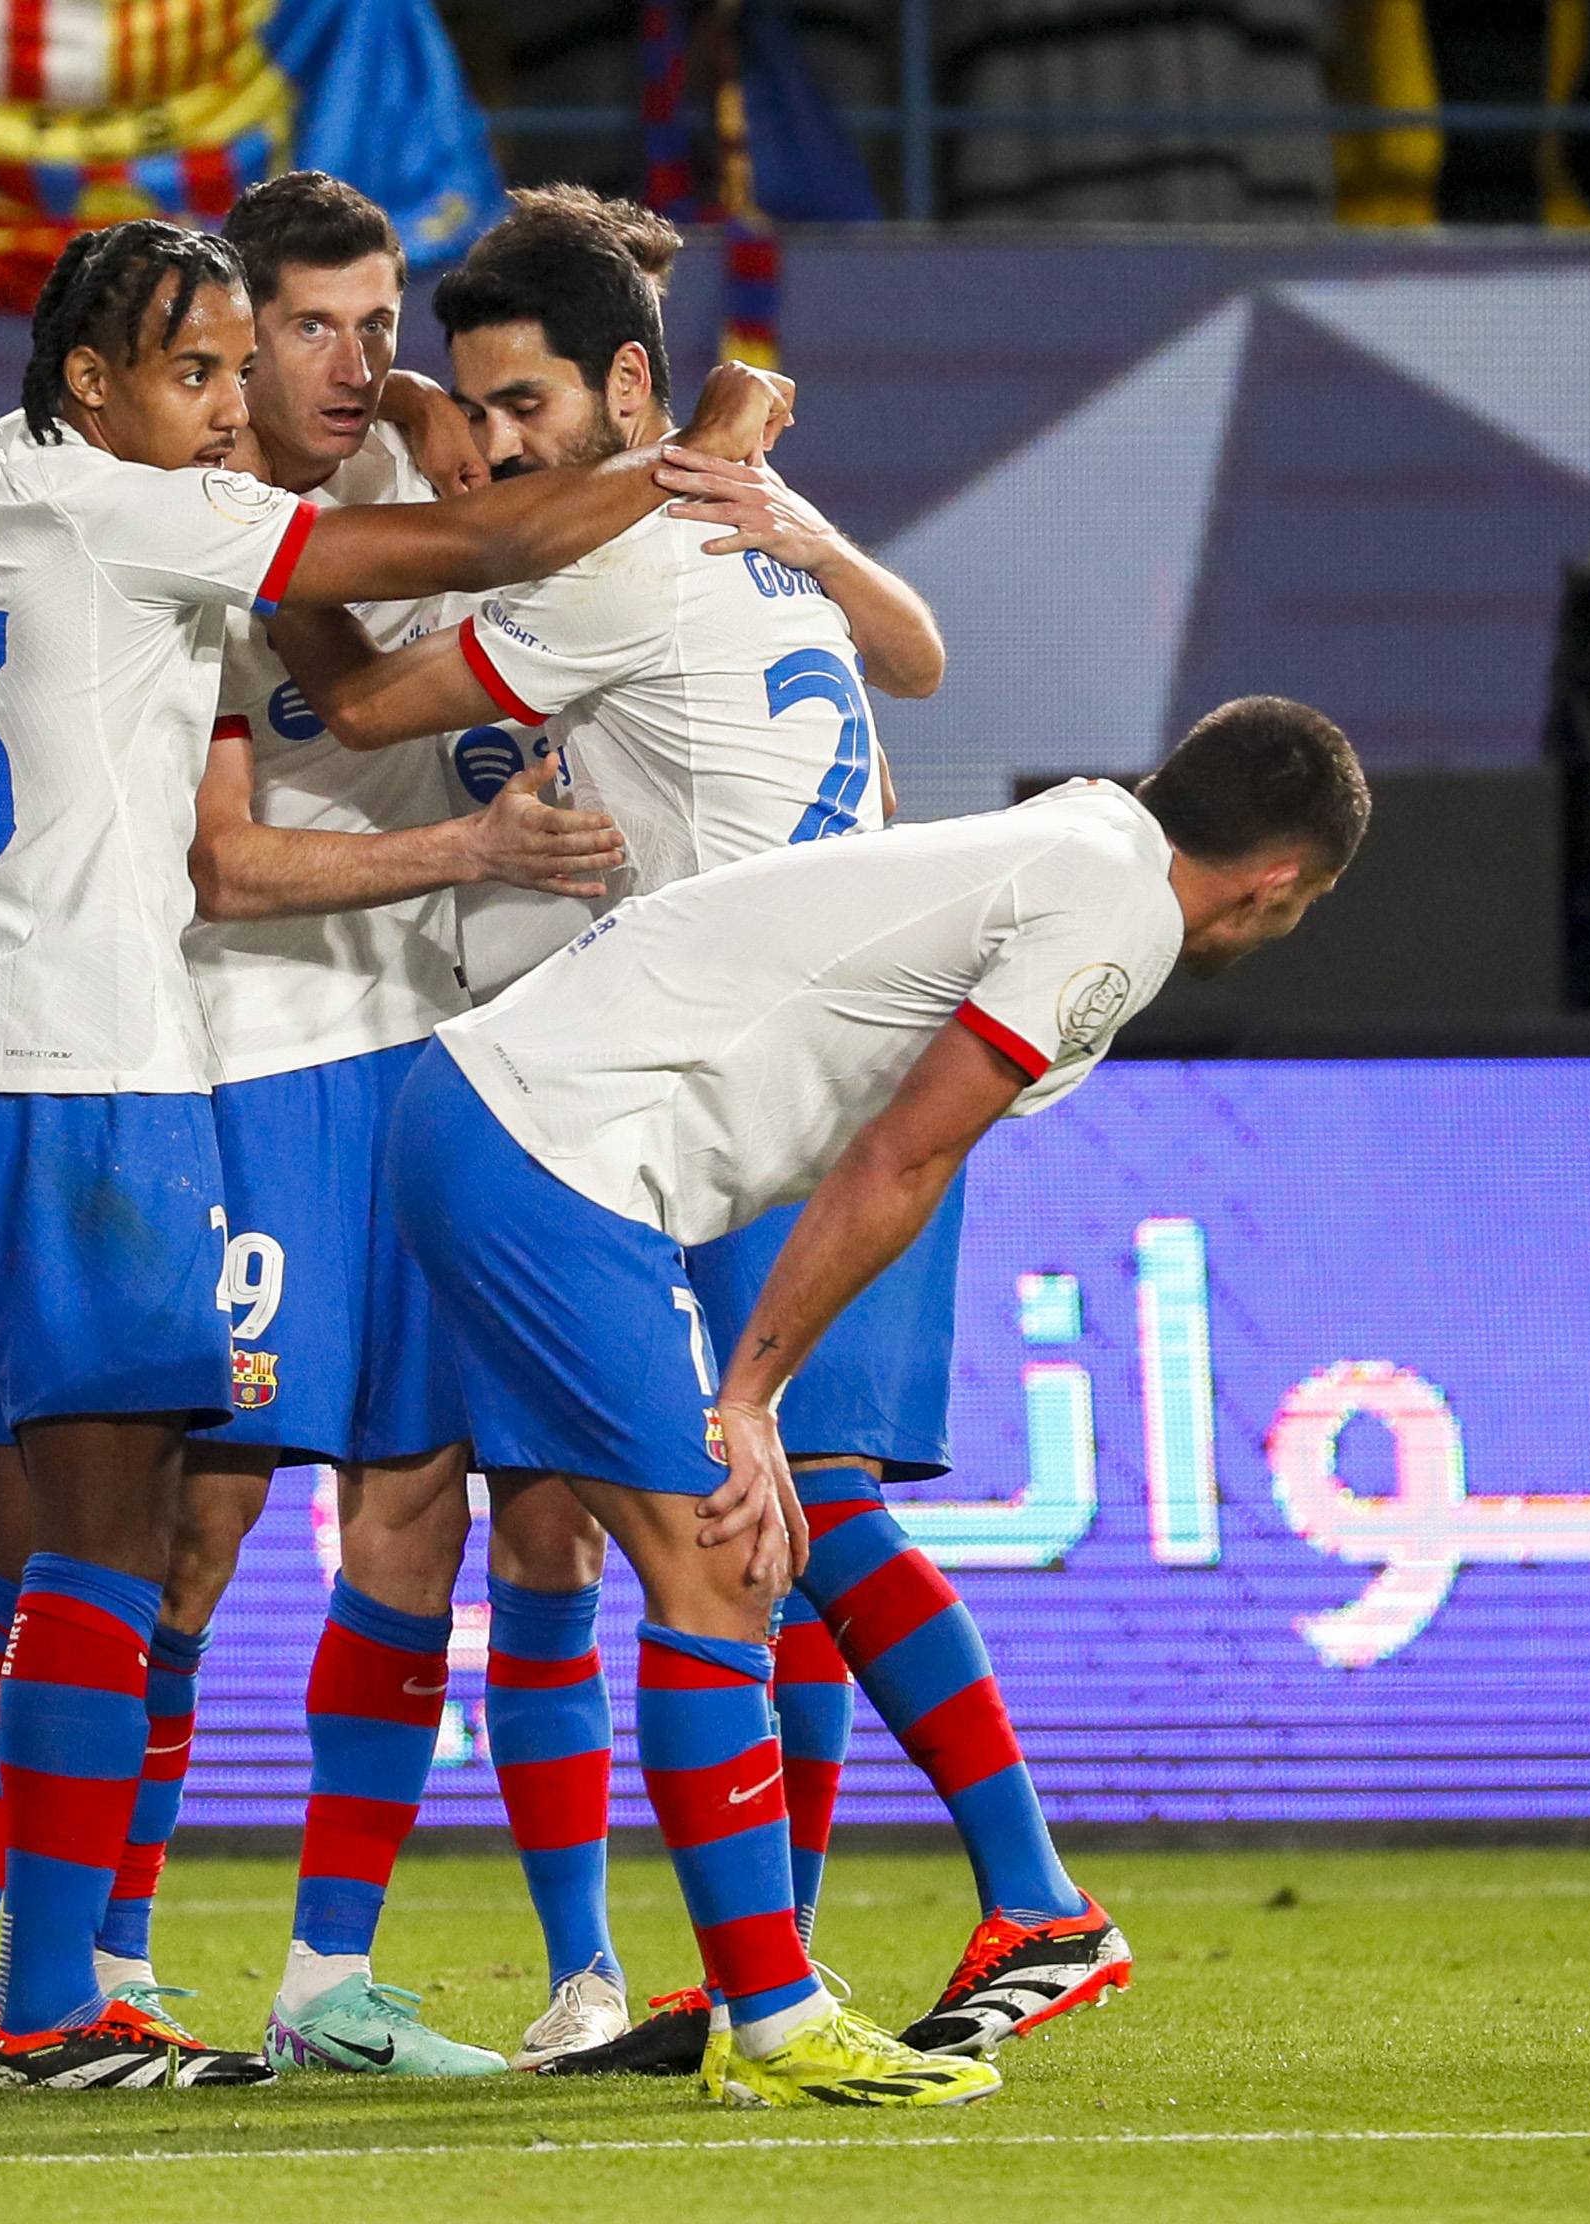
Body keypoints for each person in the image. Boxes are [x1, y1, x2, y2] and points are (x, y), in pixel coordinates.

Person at [0, 213, 791, 2093]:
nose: (224, 410)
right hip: (109, 1068)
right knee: (126, 1539)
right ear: (100, 383)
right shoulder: (163, 514)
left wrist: (418, 390)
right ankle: (64, 2000)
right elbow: (491, 544)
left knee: (19, 1536)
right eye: (197, 370)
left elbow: (387, 456)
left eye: (241, 370)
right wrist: (727, 435)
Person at [301, 188, 1117, 2069]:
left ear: (625, 384)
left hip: (788, 1068)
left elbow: (353, 695)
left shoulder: (618, 565)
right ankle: (809, 1947)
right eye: (479, 404)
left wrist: (258, 538)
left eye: (526, 405)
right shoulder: (722, 524)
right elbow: (908, 659)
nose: (500, 445)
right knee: (781, 1520)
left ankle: (1029, 1900)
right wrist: (725, 470)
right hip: (840, 1049)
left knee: (777, 1514)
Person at [382, 696, 1367, 2105]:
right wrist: (759, 1390)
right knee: (725, 1555)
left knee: (722, 1559)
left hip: (500, 1117)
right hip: (552, 1148)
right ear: (1279, 882)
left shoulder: (1085, 824)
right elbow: (901, 1161)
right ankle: (780, 2019)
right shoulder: (1121, 913)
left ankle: (772, 1991)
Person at [79, 169, 637, 2083]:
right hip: (252, 1062)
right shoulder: (207, 542)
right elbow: (226, 866)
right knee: (199, 1517)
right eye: (308, 326)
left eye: (378, 323)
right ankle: (102, 1955)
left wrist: (421, 428)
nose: (353, 359)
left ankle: (452, 1981)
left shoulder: (456, 513)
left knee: (492, 1505)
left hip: (461, 1065)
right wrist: (478, 842)